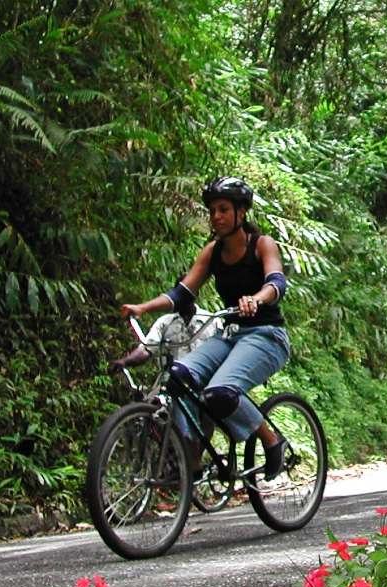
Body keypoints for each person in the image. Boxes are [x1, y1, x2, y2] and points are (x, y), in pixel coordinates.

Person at [120, 176, 291, 480]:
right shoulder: (212, 252)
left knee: (221, 392)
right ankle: (194, 462)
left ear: (241, 212)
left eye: (223, 209)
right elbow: (182, 293)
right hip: (230, 334)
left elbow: (276, 283)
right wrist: (143, 307)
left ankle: (271, 439)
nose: (216, 217)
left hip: (266, 335)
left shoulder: (262, 245)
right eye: (212, 210)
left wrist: (256, 298)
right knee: (178, 378)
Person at [106, 297, 222, 380]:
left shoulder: (212, 321)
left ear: (195, 295)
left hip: (206, 380)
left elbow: (222, 354)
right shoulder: (165, 323)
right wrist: (125, 361)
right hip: (175, 383)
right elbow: (147, 349)